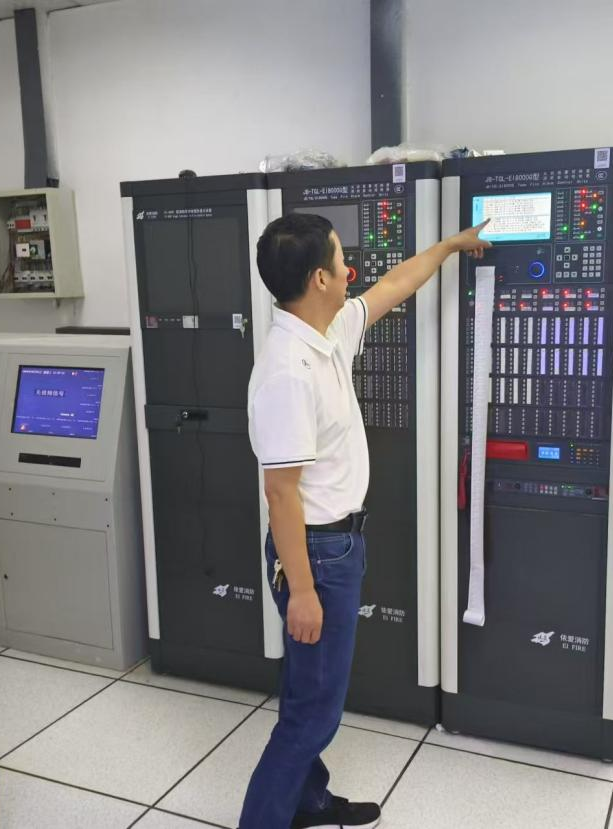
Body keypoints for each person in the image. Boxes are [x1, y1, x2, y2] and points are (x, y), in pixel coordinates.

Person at [239, 212, 489, 829]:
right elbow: (280, 494)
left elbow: (394, 285)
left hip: (336, 548)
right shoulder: (287, 373)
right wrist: (303, 592)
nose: (351, 269)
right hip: (315, 557)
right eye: (340, 259)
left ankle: (308, 800)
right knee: (314, 713)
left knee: (308, 692)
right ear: (320, 279)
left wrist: (450, 246)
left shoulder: (326, 331)